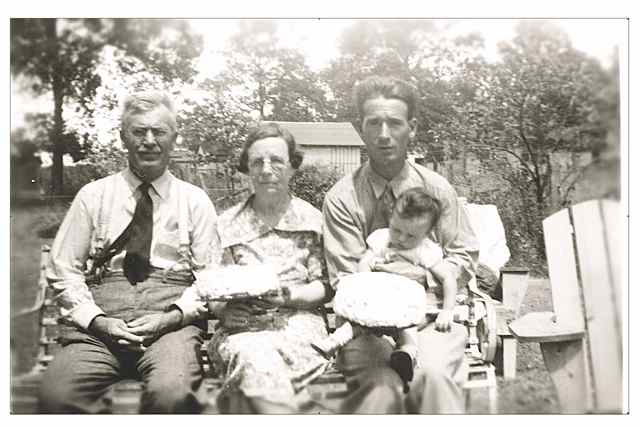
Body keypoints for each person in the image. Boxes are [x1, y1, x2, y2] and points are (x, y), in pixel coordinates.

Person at [38, 91, 218, 414]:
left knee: (172, 394)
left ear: (173, 138)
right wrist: (98, 321)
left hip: (170, 325)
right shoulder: (93, 196)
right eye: (139, 132)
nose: (149, 141)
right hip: (100, 324)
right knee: (57, 396)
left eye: (159, 132)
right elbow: (63, 268)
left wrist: (172, 317)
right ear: (123, 137)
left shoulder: (195, 201)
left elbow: (211, 278)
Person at [323, 75, 479, 414]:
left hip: (430, 316)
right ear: (360, 128)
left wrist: (427, 277)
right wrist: (403, 281)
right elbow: (347, 277)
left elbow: (463, 254)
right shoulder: (342, 198)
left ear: (412, 128)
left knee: (433, 378)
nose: (383, 134)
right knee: (381, 390)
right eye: (373, 123)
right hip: (365, 327)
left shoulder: (437, 190)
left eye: (394, 123)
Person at [205, 123, 332, 414]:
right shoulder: (227, 224)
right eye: (256, 162)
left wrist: (287, 297)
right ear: (247, 169)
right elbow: (214, 287)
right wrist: (225, 311)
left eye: (276, 160)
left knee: (258, 367)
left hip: (299, 327)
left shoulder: (312, 221)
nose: (266, 169)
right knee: (252, 356)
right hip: (242, 329)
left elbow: (324, 286)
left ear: (292, 167)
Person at [357, 187, 457, 387]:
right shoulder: (381, 239)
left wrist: (447, 310)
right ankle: (342, 342)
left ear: (427, 233)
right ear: (391, 217)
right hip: (381, 303)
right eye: (396, 230)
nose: (401, 239)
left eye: (411, 236)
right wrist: (367, 286)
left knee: (408, 327)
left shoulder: (425, 250)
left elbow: (448, 278)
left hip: (410, 308)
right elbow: (364, 263)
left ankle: (407, 354)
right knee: (364, 326)